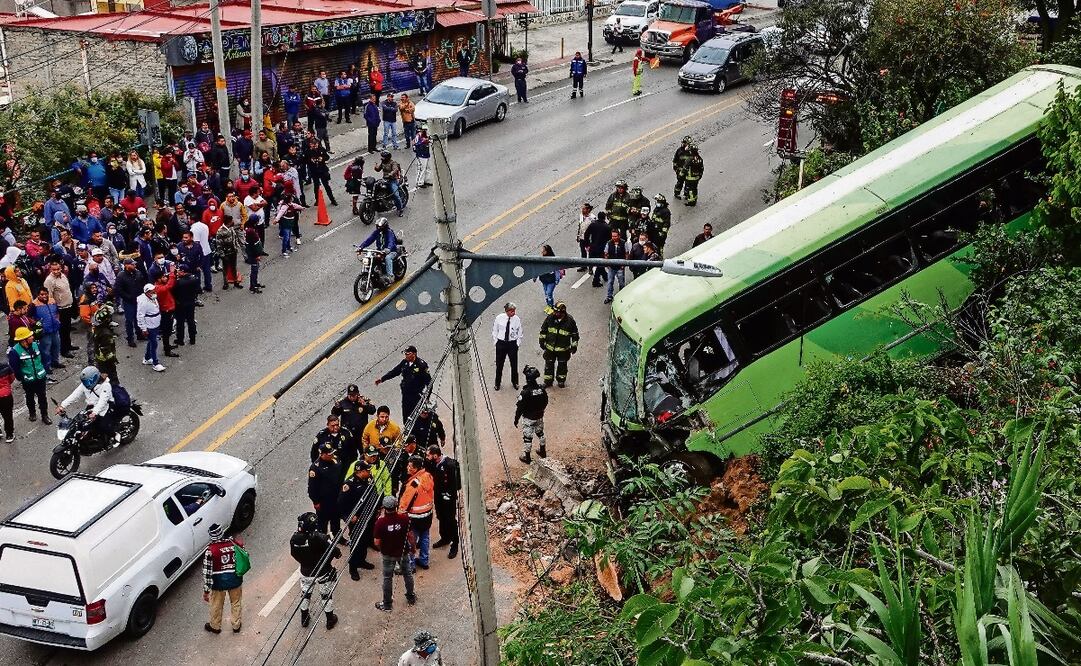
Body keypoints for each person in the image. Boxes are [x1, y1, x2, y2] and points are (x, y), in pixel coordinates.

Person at [290, 511, 340, 630]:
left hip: (306, 572)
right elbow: (335, 551)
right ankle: (330, 619)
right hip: (323, 571)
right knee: (326, 595)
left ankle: (304, 618)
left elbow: (293, 554)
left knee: (305, 595)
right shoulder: (319, 537)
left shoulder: (294, 539)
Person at [374, 495, 416, 612]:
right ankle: (411, 596)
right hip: (403, 552)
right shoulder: (404, 519)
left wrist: (381, 548)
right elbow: (411, 536)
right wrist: (413, 548)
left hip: (387, 554)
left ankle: (387, 604)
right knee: (407, 574)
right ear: (396, 506)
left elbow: (376, 542)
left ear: (384, 507)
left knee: (388, 578)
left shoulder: (380, 523)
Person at [337, 460, 377, 579]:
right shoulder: (349, 485)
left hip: (368, 515)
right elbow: (340, 504)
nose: (369, 471)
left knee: (365, 540)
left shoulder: (369, 479)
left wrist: (378, 507)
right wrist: (349, 517)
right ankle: (353, 567)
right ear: (360, 471)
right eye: (367, 470)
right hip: (356, 519)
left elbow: (374, 493)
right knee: (356, 543)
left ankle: (362, 561)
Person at [58, 365, 116, 446]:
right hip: (92, 406)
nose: (86, 384)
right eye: (84, 382)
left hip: (106, 407)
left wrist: (95, 412)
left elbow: (103, 401)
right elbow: (75, 395)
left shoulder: (105, 385)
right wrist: (62, 405)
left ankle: (115, 436)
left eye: (87, 382)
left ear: (95, 378)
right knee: (79, 423)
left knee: (103, 425)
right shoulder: (85, 385)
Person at [202, 523, 245, 634]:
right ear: (222, 533)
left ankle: (215, 626)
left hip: (218, 583)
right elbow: (244, 556)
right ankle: (236, 625)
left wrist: (206, 591)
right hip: (235, 579)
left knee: (216, 605)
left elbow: (207, 573)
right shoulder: (233, 544)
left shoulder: (210, 550)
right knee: (236, 602)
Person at [399, 455, 434, 572]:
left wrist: (399, 515)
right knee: (425, 538)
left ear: (416, 469)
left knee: (411, 542)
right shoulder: (428, 476)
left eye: (410, 466)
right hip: (427, 515)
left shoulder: (413, 484)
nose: (407, 468)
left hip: (414, 518)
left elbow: (404, 503)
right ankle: (424, 561)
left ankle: (411, 565)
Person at [376, 346, 430, 422]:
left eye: (408, 354)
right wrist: (382, 379)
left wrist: (427, 397)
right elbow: (395, 371)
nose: (406, 355)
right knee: (406, 415)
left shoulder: (421, 365)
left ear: (414, 354)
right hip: (406, 394)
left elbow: (429, 382)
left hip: (416, 395)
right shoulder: (405, 362)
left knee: (417, 416)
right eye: (405, 354)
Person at [8, 328, 51, 423]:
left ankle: (45, 415)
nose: (32, 337)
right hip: (28, 380)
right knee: (30, 397)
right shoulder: (15, 352)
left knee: (42, 397)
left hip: (40, 378)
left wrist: (44, 369)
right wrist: (23, 378)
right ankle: (32, 413)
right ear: (24, 340)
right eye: (30, 336)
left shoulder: (36, 345)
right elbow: (15, 368)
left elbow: (44, 357)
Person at [426, 445, 460, 559]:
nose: (427, 457)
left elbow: (455, 484)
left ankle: (454, 544)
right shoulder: (433, 464)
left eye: (428, 455)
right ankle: (445, 538)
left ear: (435, 455)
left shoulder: (449, 465)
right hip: (438, 496)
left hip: (448, 498)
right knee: (441, 517)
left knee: (450, 520)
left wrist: (449, 495)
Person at [538, 302, 579, 388]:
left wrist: (574, 346)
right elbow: (543, 330)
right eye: (554, 311)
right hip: (550, 348)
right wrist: (541, 341)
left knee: (562, 366)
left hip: (563, 350)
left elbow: (575, 335)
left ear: (563, 312)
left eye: (557, 312)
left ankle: (561, 381)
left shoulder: (570, 321)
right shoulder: (550, 318)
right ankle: (548, 382)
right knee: (548, 366)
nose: (555, 313)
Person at [332, 384, 375, 464]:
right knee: (351, 457)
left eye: (354, 395)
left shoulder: (364, 400)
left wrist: (364, 405)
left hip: (361, 435)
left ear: (358, 394)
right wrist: (337, 408)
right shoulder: (342, 402)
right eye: (350, 395)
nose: (352, 397)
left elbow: (372, 411)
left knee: (365, 454)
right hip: (348, 436)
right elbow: (334, 414)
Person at [515, 365, 548, 463]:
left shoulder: (525, 392)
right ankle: (543, 451)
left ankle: (527, 457)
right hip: (539, 416)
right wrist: (541, 410)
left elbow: (519, 408)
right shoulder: (542, 389)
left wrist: (516, 419)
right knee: (540, 433)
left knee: (527, 438)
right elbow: (546, 401)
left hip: (529, 418)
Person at [308, 441, 343, 535]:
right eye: (329, 454)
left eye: (332, 453)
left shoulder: (336, 460)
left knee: (336, 518)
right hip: (324, 501)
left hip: (336, 496)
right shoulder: (315, 468)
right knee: (322, 522)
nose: (332, 455)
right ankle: (323, 540)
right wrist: (316, 501)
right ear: (322, 454)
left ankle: (337, 536)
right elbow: (312, 487)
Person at [492, 301, 522, 391]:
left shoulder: (517, 319)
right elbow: (495, 330)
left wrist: (517, 343)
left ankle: (515, 382)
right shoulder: (499, 318)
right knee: (499, 365)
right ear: (507, 311)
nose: (513, 313)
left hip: (512, 344)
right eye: (511, 311)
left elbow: (520, 332)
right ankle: (497, 383)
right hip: (501, 344)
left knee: (514, 364)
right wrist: (496, 342)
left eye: (514, 311)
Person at [136, 283, 166, 372]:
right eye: (152, 292)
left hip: (155, 323)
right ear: (147, 292)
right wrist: (143, 328)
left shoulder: (152, 298)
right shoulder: (143, 302)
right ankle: (155, 363)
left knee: (151, 342)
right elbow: (140, 316)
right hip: (150, 325)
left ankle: (147, 358)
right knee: (154, 343)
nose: (154, 293)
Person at [91, 306, 120, 385]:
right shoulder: (106, 334)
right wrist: (113, 359)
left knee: (104, 377)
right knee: (112, 378)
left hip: (99, 358)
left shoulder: (97, 329)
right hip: (106, 361)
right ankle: (117, 393)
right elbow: (106, 350)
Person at [173, 264, 200, 342]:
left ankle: (180, 339)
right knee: (191, 320)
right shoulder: (194, 278)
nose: (177, 272)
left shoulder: (179, 282)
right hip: (191, 302)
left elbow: (174, 293)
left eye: (178, 271)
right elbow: (197, 290)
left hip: (181, 304)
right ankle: (192, 339)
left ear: (182, 271)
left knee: (180, 322)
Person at [215, 215, 243, 289]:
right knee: (225, 269)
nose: (233, 221)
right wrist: (222, 255)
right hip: (226, 253)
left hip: (233, 252)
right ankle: (225, 283)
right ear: (229, 221)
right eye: (232, 220)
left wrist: (236, 247)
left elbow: (235, 238)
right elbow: (218, 245)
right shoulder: (220, 231)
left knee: (234, 267)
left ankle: (235, 282)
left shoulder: (231, 228)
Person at [585, 211, 611, 288]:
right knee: (600, 265)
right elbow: (610, 239)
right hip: (602, 249)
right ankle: (596, 280)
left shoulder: (593, 224)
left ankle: (605, 276)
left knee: (599, 264)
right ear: (604, 217)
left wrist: (587, 244)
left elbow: (586, 234)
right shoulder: (607, 227)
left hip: (593, 247)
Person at [243, 216, 268, 294]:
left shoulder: (249, 228)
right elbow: (254, 245)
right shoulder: (251, 232)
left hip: (252, 253)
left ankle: (255, 283)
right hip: (253, 254)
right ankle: (252, 287)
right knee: (254, 270)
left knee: (255, 270)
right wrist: (257, 255)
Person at [603, 229, 628, 304]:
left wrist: (624, 264)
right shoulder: (608, 243)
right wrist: (607, 263)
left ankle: (622, 295)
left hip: (620, 267)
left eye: (615, 236)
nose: (614, 237)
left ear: (619, 236)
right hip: (611, 267)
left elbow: (627, 253)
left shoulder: (624, 243)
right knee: (610, 282)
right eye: (612, 236)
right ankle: (609, 296)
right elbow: (606, 253)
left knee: (621, 282)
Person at [536, 245, 562, 309]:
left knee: (549, 293)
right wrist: (535, 277)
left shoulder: (552, 260)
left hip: (551, 280)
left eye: (544, 251)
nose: (542, 252)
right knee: (546, 294)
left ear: (547, 251)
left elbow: (557, 270)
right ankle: (548, 305)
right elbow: (537, 269)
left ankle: (551, 306)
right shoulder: (541, 260)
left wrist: (557, 279)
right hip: (544, 280)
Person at [575, 202, 596, 267]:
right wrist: (578, 235)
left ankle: (590, 266)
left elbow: (594, 229)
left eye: (584, 209)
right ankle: (583, 265)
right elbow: (580, 225)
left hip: (589, 238)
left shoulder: (592, 218)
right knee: (582, 251)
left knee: (590, 252)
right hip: (582, 237)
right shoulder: (581, 216)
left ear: (588, 210)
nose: (582, 210)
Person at [673, 136, 693, 200]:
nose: (684, 144)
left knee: (688, 183)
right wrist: (676, 169)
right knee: (680, 182)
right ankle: (677, 193)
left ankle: (686, 194)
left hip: (688, 171)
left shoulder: (691, 151)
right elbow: (675, 160)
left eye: (685, 143)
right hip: (680, 171)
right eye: (684, 142)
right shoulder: (679, 150)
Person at [0, 358, 14, 442]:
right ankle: (9, 435)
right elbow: (12, 377)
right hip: (6, 395)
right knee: (8, 416)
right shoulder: (5, 366)